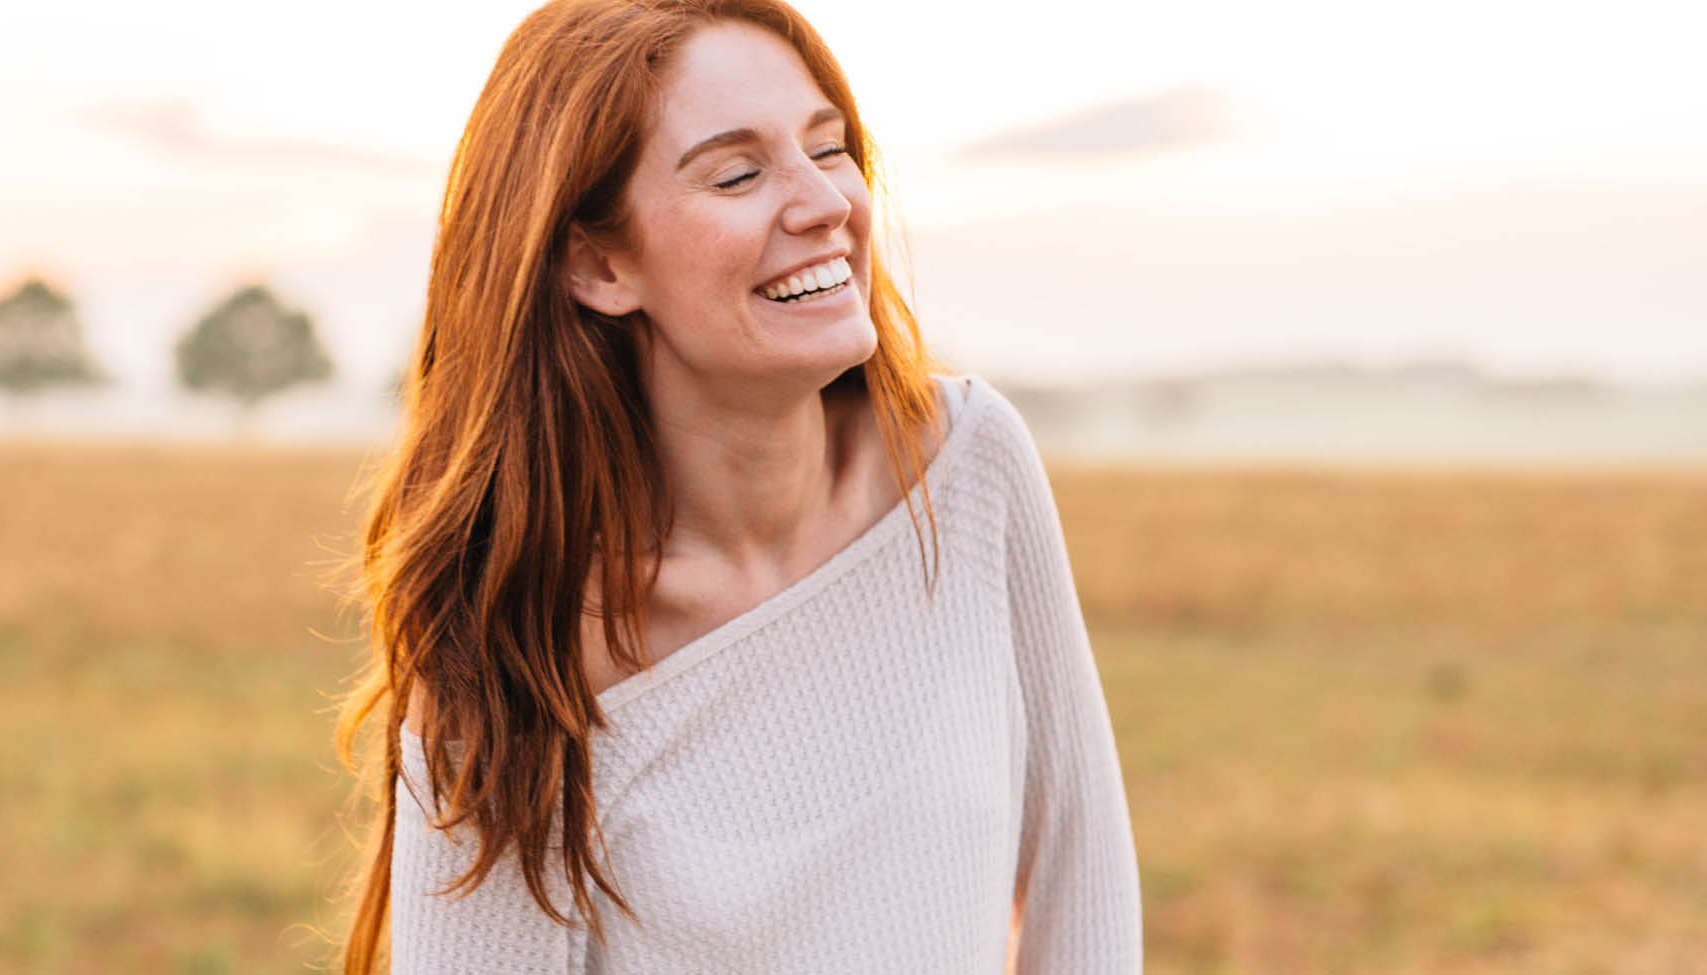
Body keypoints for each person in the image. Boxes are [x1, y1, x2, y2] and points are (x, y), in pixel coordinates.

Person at [334, 0, 1142, 971]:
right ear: (598, 263)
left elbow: (1082, 888)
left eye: (829, 148)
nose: (823, 204)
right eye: (739, 173)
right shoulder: (517, 647)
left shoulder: (970, 465)